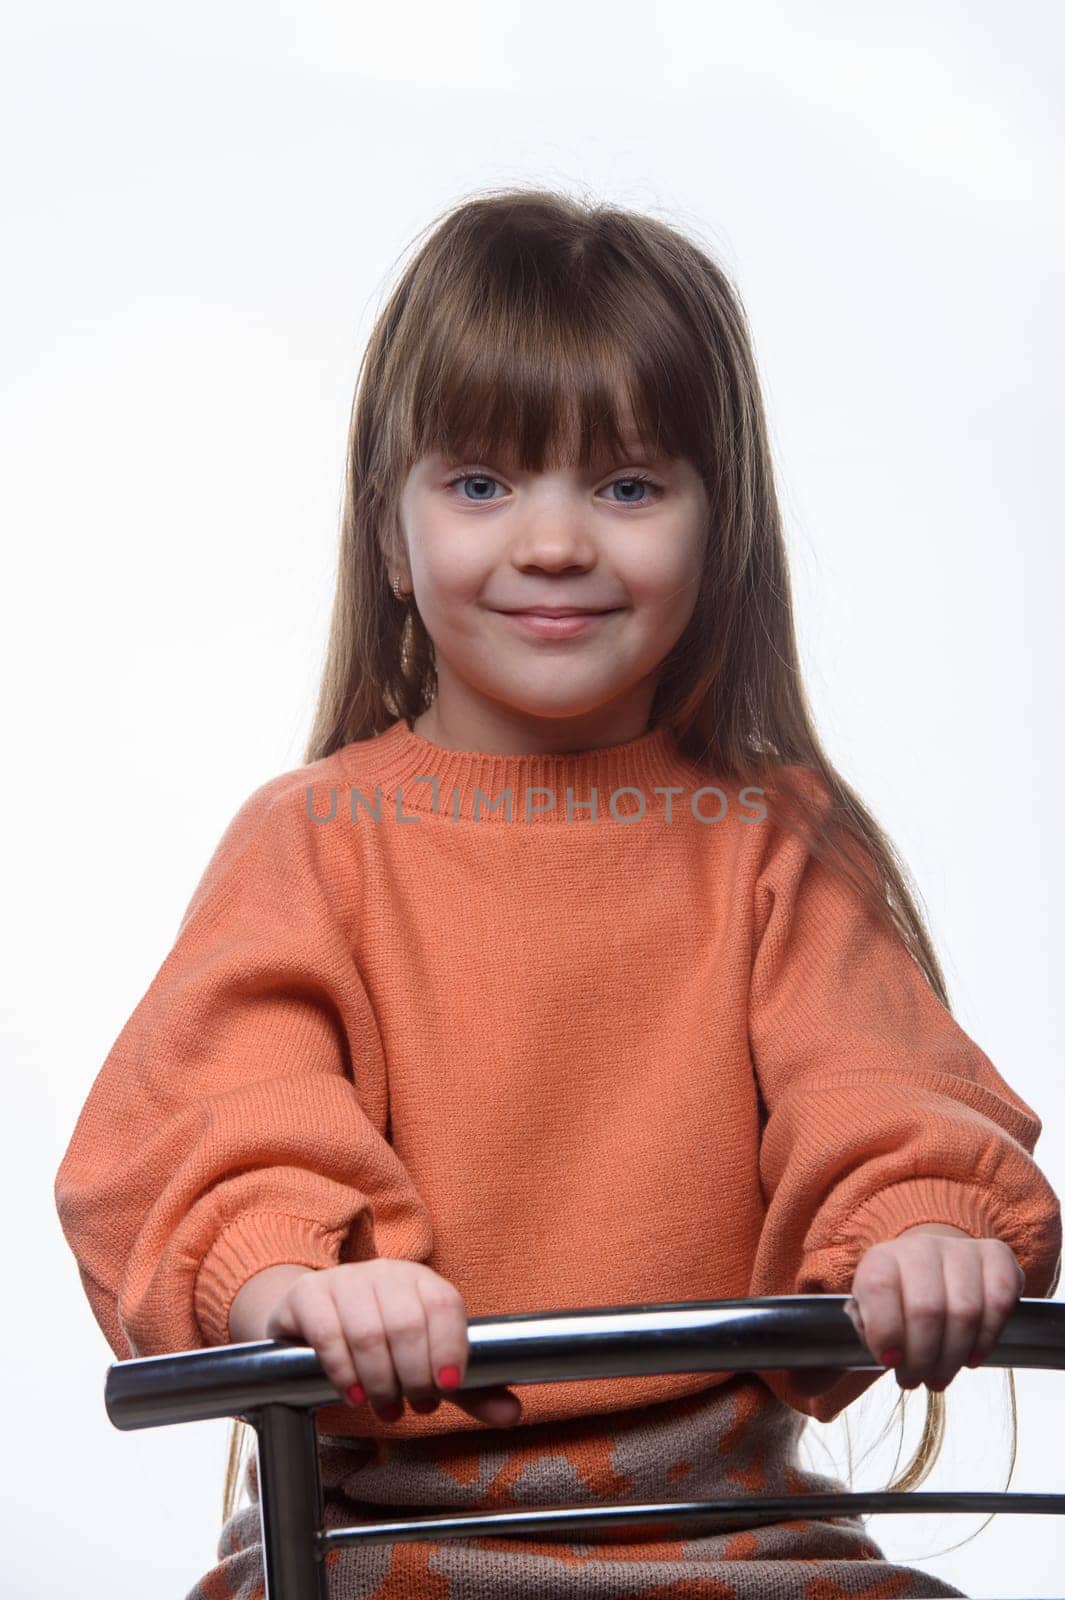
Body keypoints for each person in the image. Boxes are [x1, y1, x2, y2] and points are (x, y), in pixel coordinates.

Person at [54, 186, 1062, 1600]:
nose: (552, 543)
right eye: (481, 484)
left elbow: (875, 1079)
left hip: (735, 1528)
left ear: (721, 534)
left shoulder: (773, 838)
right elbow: (223, 1108)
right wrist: (294, 1276)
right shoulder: (315, 838)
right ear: (392, 538)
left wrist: (921, 1225)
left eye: (627, 484)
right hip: (382, 1533)